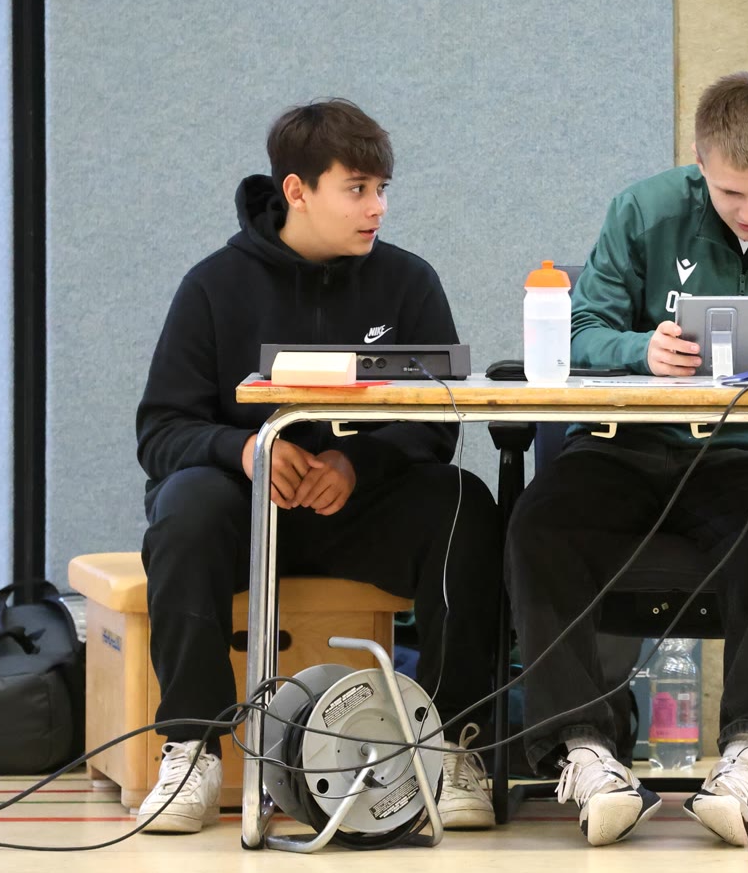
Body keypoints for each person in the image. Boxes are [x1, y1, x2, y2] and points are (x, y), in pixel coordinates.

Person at [505, 72, 748, 846]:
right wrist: (643, 351)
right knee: (539, 525)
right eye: (731, 193)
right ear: (700, 163)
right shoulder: (642, 211)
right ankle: (586, 751)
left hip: (740, 459)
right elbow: (581, 333)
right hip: (625, 450)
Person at [133, 98, 502, 833]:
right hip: (248, 507)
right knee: (184, 509)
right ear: (297, 190)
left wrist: (356, 463)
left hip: (358, 511)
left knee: (463, 501)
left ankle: (453, 746)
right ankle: (192, 749)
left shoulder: (408, 282)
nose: (377, 208)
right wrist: (245, 452)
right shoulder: (212, 286)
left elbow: (437, 423)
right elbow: (162, 431)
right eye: (357, 189)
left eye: (382, 189)